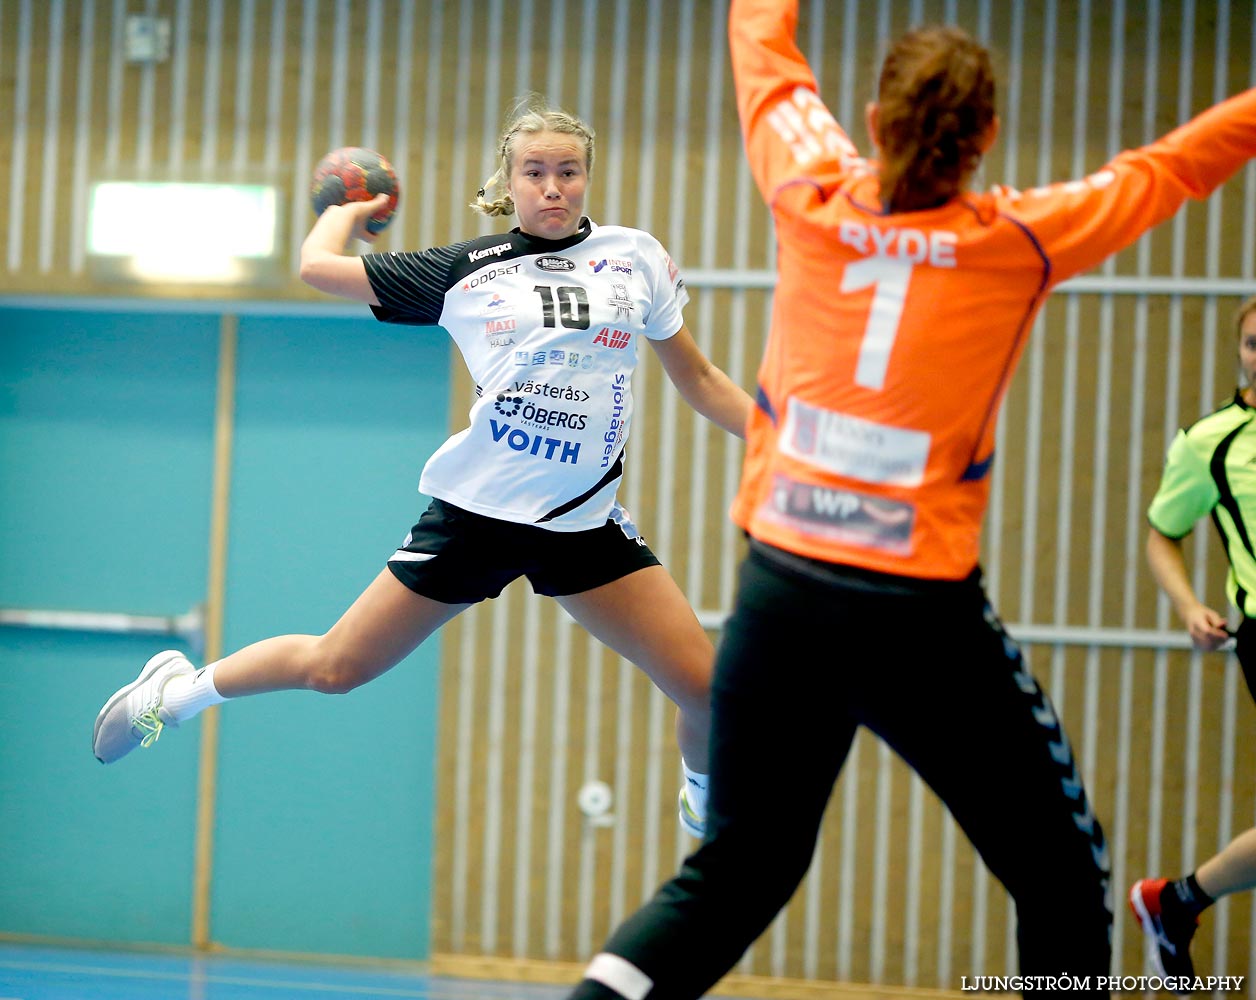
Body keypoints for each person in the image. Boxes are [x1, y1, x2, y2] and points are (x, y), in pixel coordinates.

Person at [565, 3, 1256, 998]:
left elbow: (760, 45)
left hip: (779, 598)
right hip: (916, 622)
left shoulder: (807, 189)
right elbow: (1172, 166)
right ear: (983, 140)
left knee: (736, 872)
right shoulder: (1020, 236)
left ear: (873, 118)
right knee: (1062, 876)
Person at [91, 96, 754, 840]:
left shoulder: (636, 259)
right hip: (476, 518)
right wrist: (349, 208)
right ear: (509, 181)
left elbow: (698, 379)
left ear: (587, 177)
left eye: (568, 171)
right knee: (335, 668)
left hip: (581, 525)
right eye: (535, 172)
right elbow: (316, 267)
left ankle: (702, 798)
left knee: (707, 692)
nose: (553, 187)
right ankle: (175, 695)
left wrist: (775, 435)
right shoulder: (464, 271)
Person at [1129, 296, 1256, 988]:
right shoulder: (1210, 442)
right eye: (1253, 344)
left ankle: (1176, 901)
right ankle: (1176, 902)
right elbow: (1162, 534)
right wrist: (1188, 605)